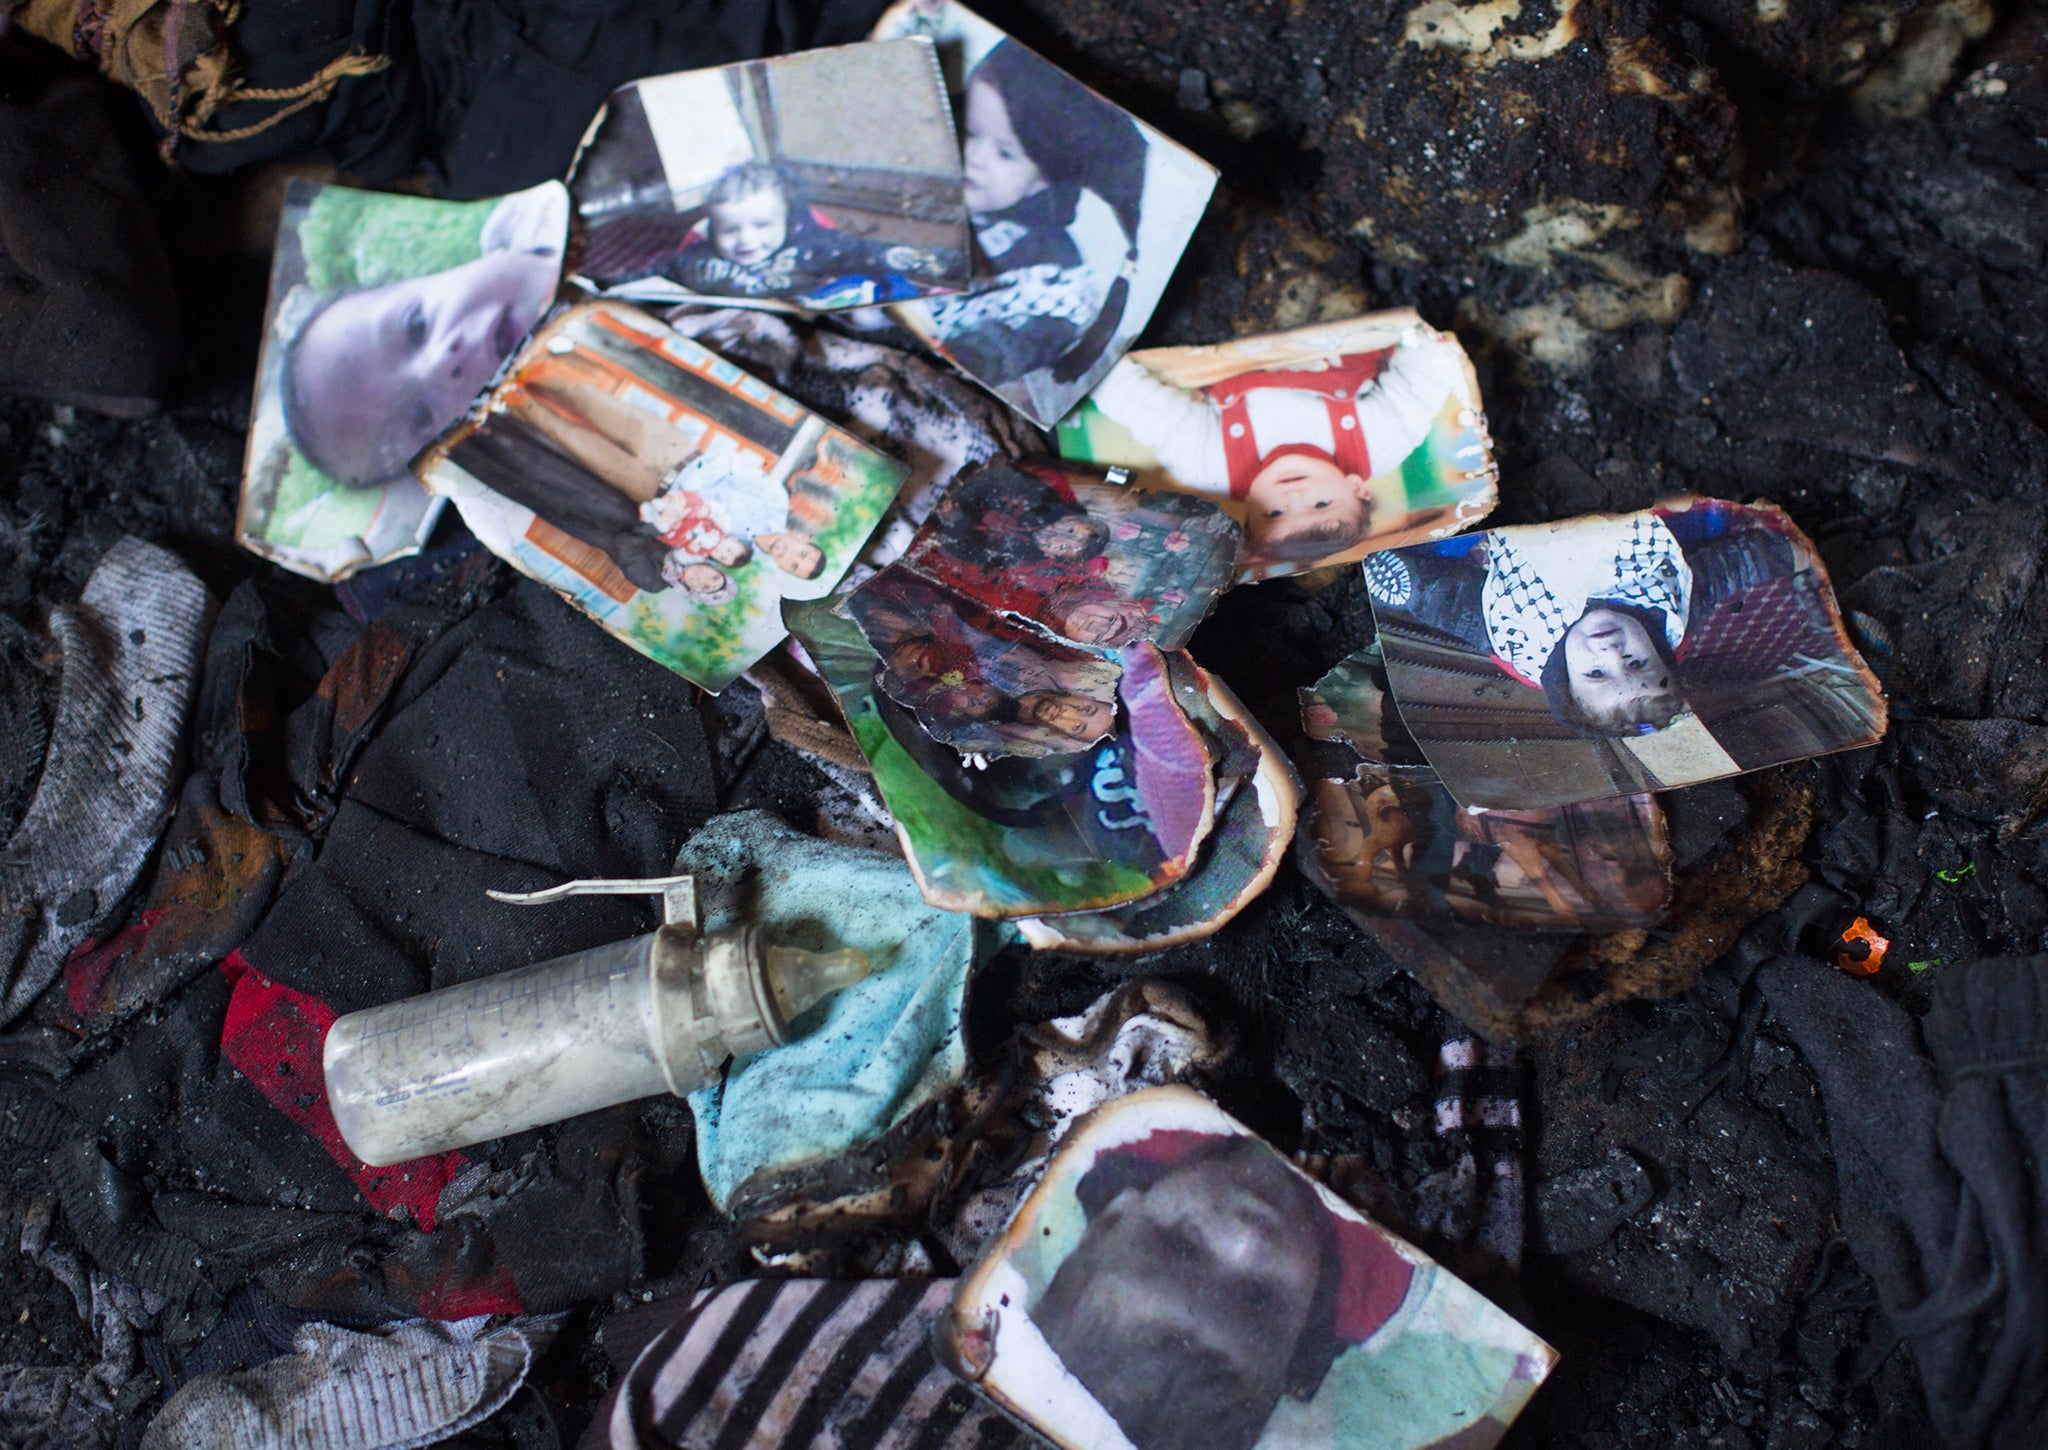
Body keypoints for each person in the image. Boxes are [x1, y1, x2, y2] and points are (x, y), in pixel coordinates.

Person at [1029, 1129, 1524, 1450]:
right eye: (1261, 1299)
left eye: (1182, 1244)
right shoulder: (1398, 1289)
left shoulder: (1103, 1142)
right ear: (1301, 1341)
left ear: (1111, 1221)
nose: (1246, 1241)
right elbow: (1488, 1365)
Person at [1370, 502, 1805, 739]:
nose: (1613, 652)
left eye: (1596, 672)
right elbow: (1725, 570)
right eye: (1637, 663)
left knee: (1451, 595)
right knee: (1703, 533)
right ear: (1660, 652)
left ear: (1565, 677)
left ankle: (1404, 582)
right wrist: (1781, 554)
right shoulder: (1668, 604)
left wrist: (1413, 591)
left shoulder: (1522, 632)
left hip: (1531, 553)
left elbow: (1456, 608)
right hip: (1616, 531)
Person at [1089, 328, 1467, 565]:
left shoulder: (1210, 466)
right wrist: (1426, 341)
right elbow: (1419, 385)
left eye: (1273, 513)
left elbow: (1150, 411)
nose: (1294, 495)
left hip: (1232, 340)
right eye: (1321, 504)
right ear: (1356, 487)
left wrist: (1096, 366)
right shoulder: (1380, 443)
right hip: (1329, 334)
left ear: (1245, 509)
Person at [280, 186, 566, 488]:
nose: (441, 364)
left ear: (436, 274)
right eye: (422, 417)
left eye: (416, 326)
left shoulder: (542, 208)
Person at [923, 41, 1147, 387]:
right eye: (971, 133)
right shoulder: (938, 186)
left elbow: (1022, 343)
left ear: (1042, 178)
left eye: (1005, 153)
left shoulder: (1051, 275)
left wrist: (972, 357)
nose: (976, 156)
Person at [664, 162, 947, 302]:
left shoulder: (811, 246)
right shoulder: (701, 256)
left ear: (786, 219)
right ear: (714, 228)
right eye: (730, 230)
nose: (746, 239)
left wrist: (920, 258)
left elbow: (862, 251)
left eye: (761, 225)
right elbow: (660, 275)